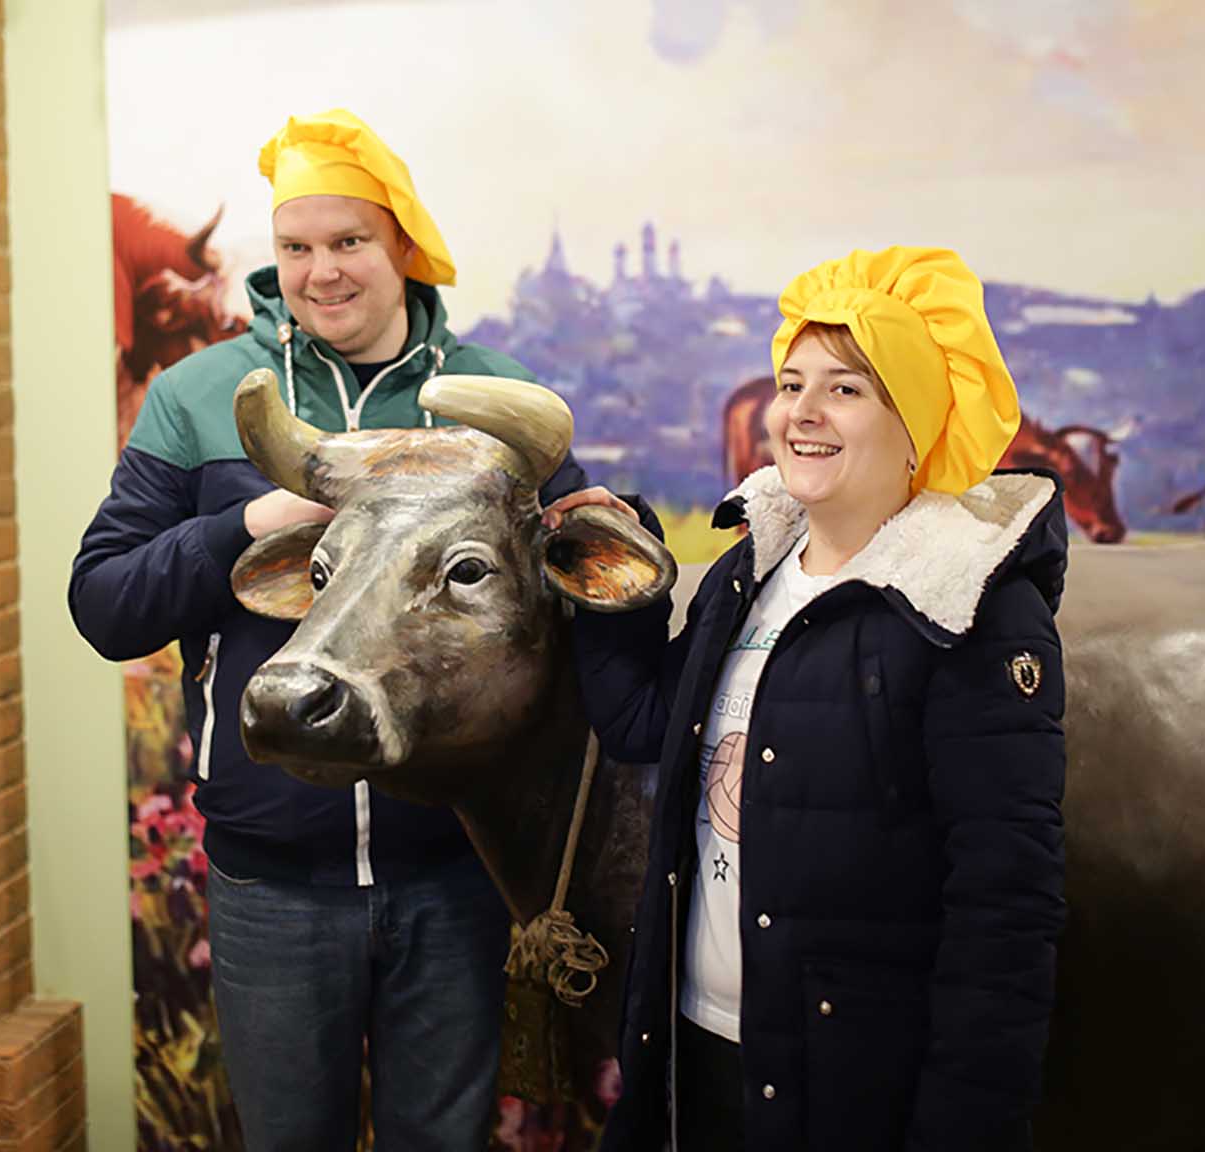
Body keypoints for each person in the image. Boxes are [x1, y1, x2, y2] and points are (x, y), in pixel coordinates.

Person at [70, 108, 594, 1151]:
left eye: (349, 241)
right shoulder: (198, 396)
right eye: (296, 247)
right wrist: (246, 525)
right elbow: (106, 602)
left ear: (402, 244)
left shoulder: (496, 398)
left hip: (456, 871)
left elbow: (574, 581)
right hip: (270, 877)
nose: (320, 273)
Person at [546, 247, 1069, 1150]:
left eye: (846, 389)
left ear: (916, 426)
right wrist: (613, 562)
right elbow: (643, 724)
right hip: (694, 1051)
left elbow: (1004, 912)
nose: (802, 412)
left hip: (850, 1086)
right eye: (791, 385)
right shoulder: (747, 574)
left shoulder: (970, 612)